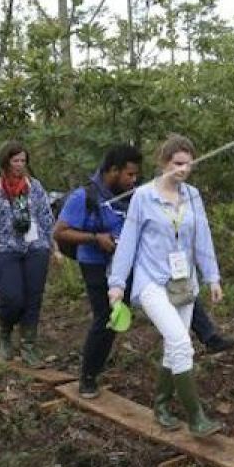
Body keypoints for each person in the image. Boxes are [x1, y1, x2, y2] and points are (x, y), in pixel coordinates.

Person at [108, 135, 223, 437]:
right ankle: (196, 417)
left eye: (188, 164)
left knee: (176, 347)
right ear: (164, 163)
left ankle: (160, 405)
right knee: (181, 343)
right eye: (177, 164)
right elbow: (128, 242)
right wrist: (117, 284)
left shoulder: (193, 196)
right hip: (151, 282)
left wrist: (212, 277)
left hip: (183, 283)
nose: (183, 169)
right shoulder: (143, 196)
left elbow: (203, 238)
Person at [53, 144, 143, 397]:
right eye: (130, 174)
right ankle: (88, 377)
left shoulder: (132, 195)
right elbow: (59, 231)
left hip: (122, 264)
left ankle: (97, 364)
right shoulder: (84, 196)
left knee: (116, 318)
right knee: (104, 316)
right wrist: (95, 238)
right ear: (113, 170)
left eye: (136, 175)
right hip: (93, 261)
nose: (133, 180)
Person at [0, 141, 55, 367]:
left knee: (33, 297)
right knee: (12, 297)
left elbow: (46, 219)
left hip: (35, 247)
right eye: (15, 161)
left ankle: (29, 345)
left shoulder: (35, 187)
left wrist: (54, 248)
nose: (20, 165)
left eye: (23, 161)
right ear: (6, 162)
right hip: (4, 248)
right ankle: (5, 331)